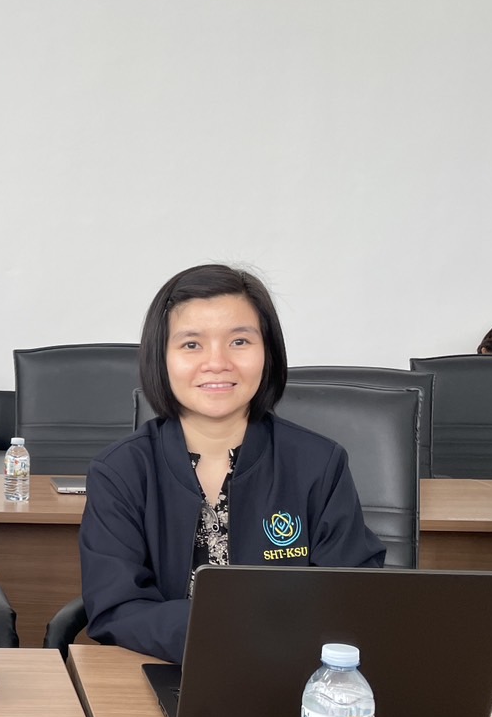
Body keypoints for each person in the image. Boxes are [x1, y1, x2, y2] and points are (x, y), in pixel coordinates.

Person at [80, 264, 384, 663]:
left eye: (239, 341)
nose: (217, 362)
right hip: (161, 671)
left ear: (267, 352)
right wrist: (232, 631)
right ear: (161, 357)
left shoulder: (319, 463)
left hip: (292, 677)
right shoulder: (120, 471)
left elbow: (354, 595)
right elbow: (117, 608)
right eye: (192, 344)